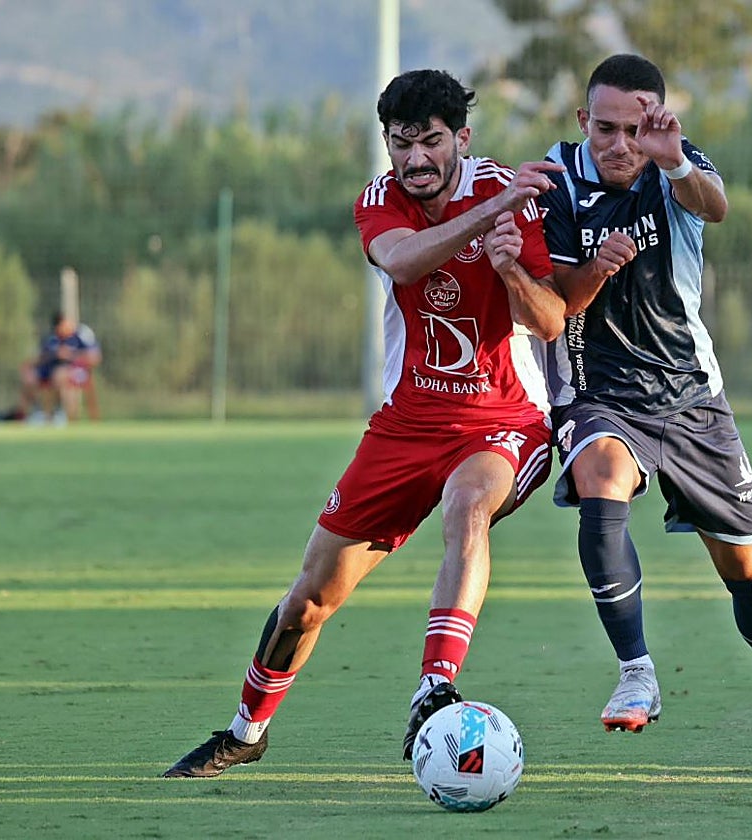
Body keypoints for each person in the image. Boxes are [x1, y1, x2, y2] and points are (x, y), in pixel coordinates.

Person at [163, 69, 566, 777]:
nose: (414, 160)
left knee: (468, 502)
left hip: (505, 419)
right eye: (400, 143)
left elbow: (551, 320)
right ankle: (246, 732)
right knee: (308, 600)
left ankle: (435, 687)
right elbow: (405, 264)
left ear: (461, 140)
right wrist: (490, 213)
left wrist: (510, 272)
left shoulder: (507, 192)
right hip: (406, 426)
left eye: (431, 143)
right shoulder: (383, 202)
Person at [537, 54, 752, 776]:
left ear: (654, 121)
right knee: (600, 477)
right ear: (581, 121)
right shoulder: (558, 181)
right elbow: (554, 304)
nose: (618, 144)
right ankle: (637, 671)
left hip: (692, 398)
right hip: (600, 394)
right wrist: (599, 266)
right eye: (604, 128)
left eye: (633, 129)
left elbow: (715, 205)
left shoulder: (675, 164)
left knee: (749, 568)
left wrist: (676, 159)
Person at [17, 311, 101, 423]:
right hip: (51, 370)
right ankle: (26, 417)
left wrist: (70, 355)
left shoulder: (82, 334)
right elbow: (41, 356)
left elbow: (95, 358)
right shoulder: (52, 338)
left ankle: (67, 417)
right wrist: (29, 366)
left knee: (60, 375)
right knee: (31, 377)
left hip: (78, 370)